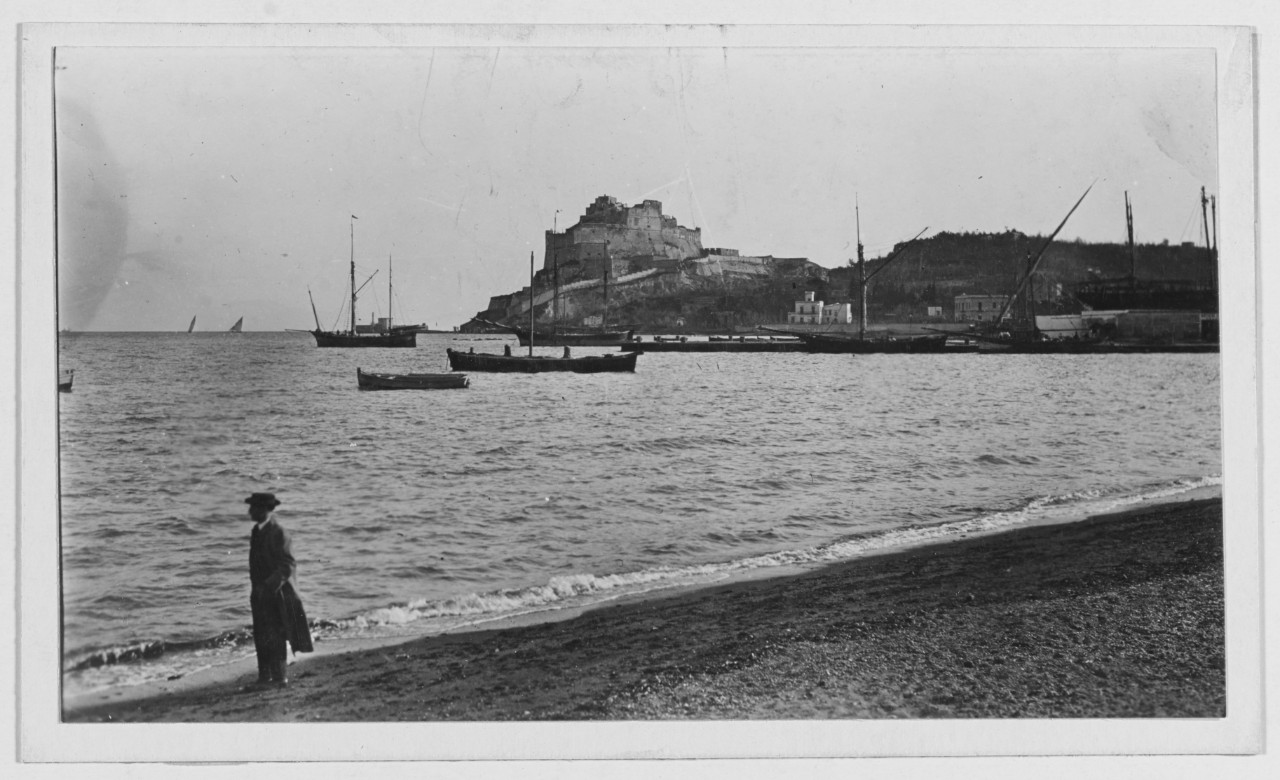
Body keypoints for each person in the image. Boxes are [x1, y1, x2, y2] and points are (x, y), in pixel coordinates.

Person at [245, 492, 313, 689]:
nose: (250, 511)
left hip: (276, 594)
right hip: (259, 593)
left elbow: (287, 565)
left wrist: (268, 586)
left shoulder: (278, 532)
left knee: (275, 635)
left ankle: (280, 677)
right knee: (261, 634)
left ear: (265, 510)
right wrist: (257, 589)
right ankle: (264, 677)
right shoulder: (257, 531)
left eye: (254, 507)